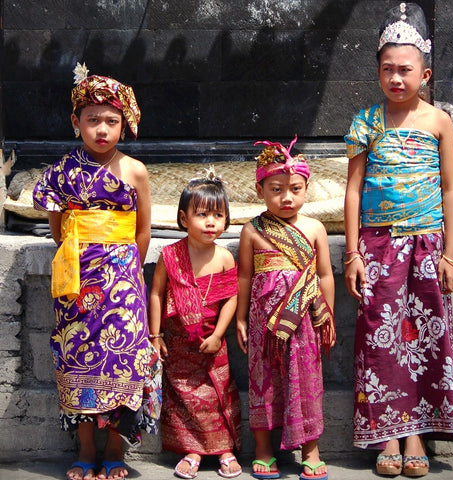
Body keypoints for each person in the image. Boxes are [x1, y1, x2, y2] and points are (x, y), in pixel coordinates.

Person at [344, 3, 453, 477]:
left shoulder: (438, 123)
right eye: (387, 70)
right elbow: (352, 191)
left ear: (425, 74)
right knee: (381, 338)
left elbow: (451, 189)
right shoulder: (365, 123)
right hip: (378, 247)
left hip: (428, 248)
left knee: (424, 336)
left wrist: (451, 255)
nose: (396, 78)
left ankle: (417, 433)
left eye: (405, 70)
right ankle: (388, 435)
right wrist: (352, 253)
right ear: (377, 73)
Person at [32, 62, 161, 480]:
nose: (102, 129)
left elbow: (142, 232)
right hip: (76, 279)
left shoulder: (134, 171)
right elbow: (58, 228)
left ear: (124, 123)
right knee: (77, 358)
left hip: (123, 281)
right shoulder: (62, 173)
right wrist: (84, 258)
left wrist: (125, 270)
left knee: (120, 361)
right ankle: (85, 448)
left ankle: (114, 450)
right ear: (76, 123)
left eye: (111, 120)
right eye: (92, 120)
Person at [236, 136, 336, 480]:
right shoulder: (253, 230)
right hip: (265, 323)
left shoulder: (315, 228)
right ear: (259, 190)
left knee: (306, 380)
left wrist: (328, 319)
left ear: (307, 188)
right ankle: (263, 448)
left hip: (305, 322)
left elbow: (324, 274)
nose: (286, 197)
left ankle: (310, 448)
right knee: (264, 381)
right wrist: (240, 317)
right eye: (276, 189)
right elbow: (245, 277)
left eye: (295, 188)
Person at [148, 169, 242, 479]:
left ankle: (225, 449)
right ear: (184, 218)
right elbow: (157, 293)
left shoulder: (226, 257)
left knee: (219, 397)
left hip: (213, 344)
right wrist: (155, 334)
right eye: (202, 214)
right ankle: (193, 450)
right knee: (185, 400)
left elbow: (231, 298)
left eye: (218, 214)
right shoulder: (170, 255)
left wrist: (218, 334)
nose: (211, 222)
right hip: (178, 344)